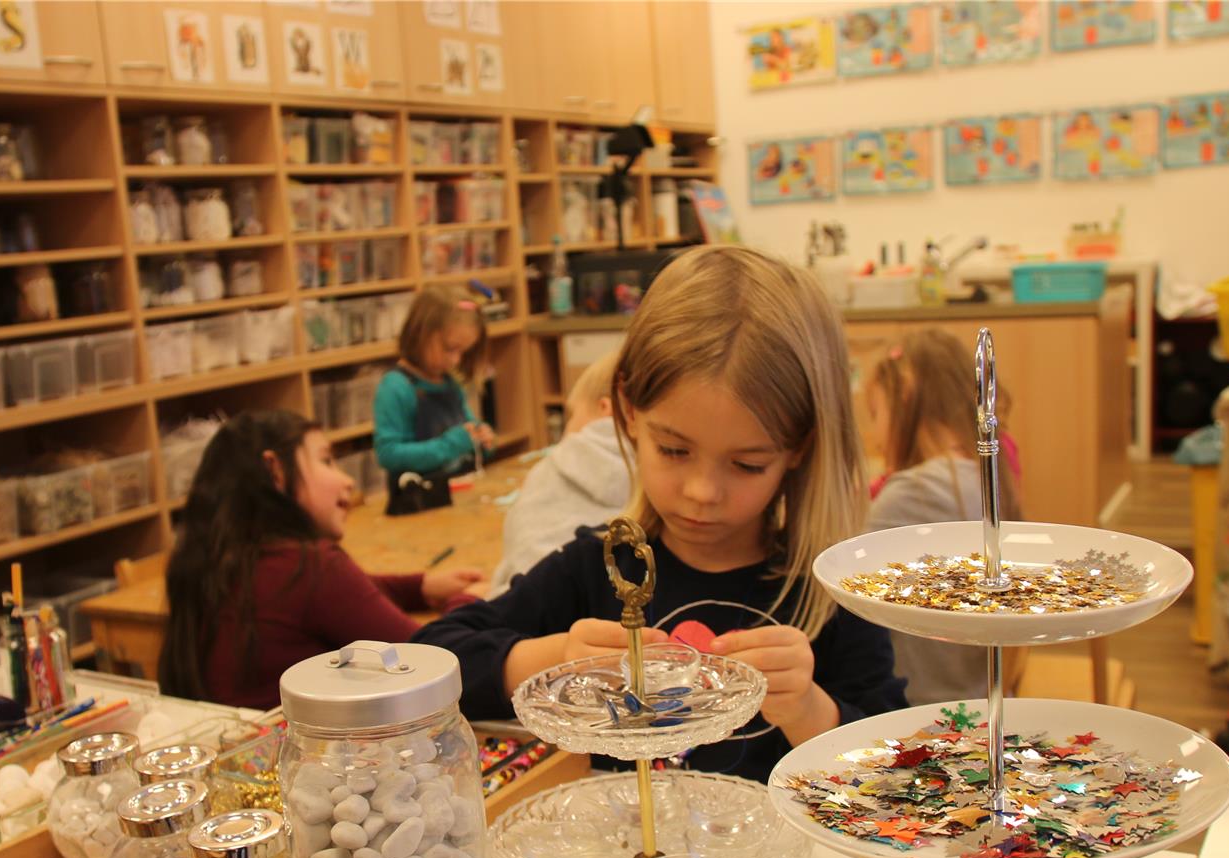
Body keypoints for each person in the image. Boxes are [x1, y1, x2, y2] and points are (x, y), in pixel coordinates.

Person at [415, 246, 907, 782]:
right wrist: (553, 658)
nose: (701, 491)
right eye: (674, 450)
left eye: (746, 464)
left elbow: (896, 773)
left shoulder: (835, 596)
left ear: (798, 449)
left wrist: (809, 710)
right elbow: (427, 662)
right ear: (629, 413)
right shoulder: (597, 568)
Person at [159, 410, 483, 708]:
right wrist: (467, 602)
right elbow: (432, 665)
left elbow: (350, 597)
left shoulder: (223, 559)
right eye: (326, 460)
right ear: (275, 469)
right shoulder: (310, 568)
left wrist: (421, 587)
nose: (348, 480)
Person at [862, 329, 1022, 705]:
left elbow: (838, 588)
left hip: (925, 706)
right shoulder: (990, 466)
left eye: (876, 414)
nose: (875, 435)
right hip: (985, 693)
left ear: (906, 396)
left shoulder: (915, 493)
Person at [484, 354, 634, 597]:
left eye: (571, 414)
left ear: (604, 409)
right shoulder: (659, 467)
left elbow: (521, 558)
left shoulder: (558, 464)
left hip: (535, 610)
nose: (568, 426)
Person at [372, 285, 494, 513]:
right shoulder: (397, 386)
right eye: (450, 349)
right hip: (415, 506)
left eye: (463, 352)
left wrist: (479, 439)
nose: (456, 360)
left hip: (451, 502)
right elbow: (388, 454)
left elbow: (466, 428)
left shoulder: (449, 383)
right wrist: (450, 445)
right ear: (420, 333)